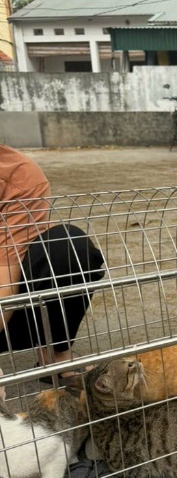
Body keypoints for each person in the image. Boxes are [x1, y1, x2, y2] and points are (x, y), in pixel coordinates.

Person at [0, 143, 105, 375]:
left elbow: (6, 279)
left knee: (67, 246)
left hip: (8, 307)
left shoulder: (17, 172)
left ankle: (55, 355)